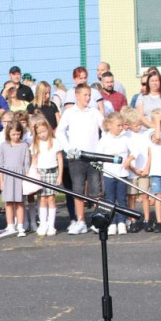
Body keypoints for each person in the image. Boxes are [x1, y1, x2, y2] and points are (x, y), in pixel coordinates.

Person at [56, 83, 104, 235]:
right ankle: (81, 221)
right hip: (76, 158)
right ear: (77, 96)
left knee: (96, 190)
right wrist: (68, 149)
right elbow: (60, 132)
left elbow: (105, 129)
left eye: (89, 95)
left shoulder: (95, 112)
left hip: (94, 157)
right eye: (85, 95)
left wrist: (100, 150)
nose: (88, 98)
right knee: (78, 189)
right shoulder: (69, 113)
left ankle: (98, 220)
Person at [97, 112, 133, 235]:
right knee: (110, 199)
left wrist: (129, 159)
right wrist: (107, 157)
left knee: (122, 199)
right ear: (110, 125)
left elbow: (135, 151)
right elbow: (97, 155)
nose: (121, 128)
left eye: (122, 125)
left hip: (122, 174)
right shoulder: (104, 139)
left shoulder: (125, 138)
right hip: (109, 174)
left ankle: (122, 222)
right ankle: (111, 223)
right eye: (118, 125)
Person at [30, 115, 64, 236]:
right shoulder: (35, 144)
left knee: (51, 199)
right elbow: (34, 160)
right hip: (41, 173)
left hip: (52, 172)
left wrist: (60, 176)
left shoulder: (54, 142)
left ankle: (51, 225)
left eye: (44, 131)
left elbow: (60, 159)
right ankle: (43, 223)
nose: (42, 134)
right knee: (42, 199)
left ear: (48, 129)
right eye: (39, 132)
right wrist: (33, 174)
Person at [0, 120, 30, 235]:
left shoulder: (24, 145)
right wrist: (1, 181)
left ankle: (20, 225)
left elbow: (27, 163)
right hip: (7, 177)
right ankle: (10, 225)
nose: (16, 136)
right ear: (8, 133)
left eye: (18, 134)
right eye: (13, 134)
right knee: (9, 202)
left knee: (20, 202)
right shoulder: (3, 146)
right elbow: (0, 164)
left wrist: (26, 177)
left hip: (20, 176)